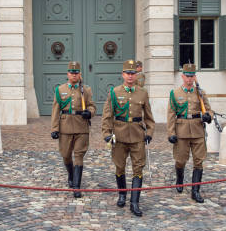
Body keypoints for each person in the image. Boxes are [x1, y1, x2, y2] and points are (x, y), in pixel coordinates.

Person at [101, 59, 155, 216]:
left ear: (136, 74)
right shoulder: (114, 92)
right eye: (127, 73)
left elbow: (149, 118)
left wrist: (149, 133)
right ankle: (122, 194)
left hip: (138, 135)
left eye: (133, 73)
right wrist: (106, 133)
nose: (130, 76)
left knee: (138, 168)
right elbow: (107, 115)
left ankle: (135, 202)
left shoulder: (143, 93)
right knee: (120, 167)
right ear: (122, 74)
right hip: (119, 135)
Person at [167, 63, 213, 203]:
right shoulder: (175, 93)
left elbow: (209, 110)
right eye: (187, 76)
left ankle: (195, 191)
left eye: (192, 76)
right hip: (181, 131)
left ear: (195, 77)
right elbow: (170, 114)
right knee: (180, 160)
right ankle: (180, 179)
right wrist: (171, 133)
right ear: (182, 76)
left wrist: (208, 116)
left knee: (199, 161)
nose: (189, 79)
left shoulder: (200, 93)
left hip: (198, 130)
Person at [50, 61, 95, 198]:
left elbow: (92, 106)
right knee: (65, 155)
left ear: (79, 74)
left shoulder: (86, 90)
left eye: (76, 73)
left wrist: (90, 112)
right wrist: (54, 128)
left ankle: (76, 186)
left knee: (79, 156)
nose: (74, 75)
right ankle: (70, 174)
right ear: (68, 74)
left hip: (81, 126)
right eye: (71, 73)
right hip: (65, 127)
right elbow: (55, 110)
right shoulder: (60, 90)